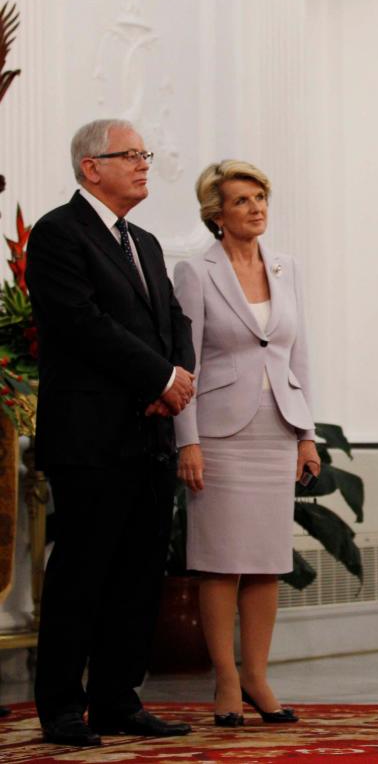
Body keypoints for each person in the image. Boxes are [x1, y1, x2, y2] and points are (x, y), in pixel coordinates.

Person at [26, 119, 196, 746]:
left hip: (149, 436)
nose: (144, 164)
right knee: (82, 573)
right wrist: (158, 378)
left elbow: (173, 320)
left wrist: (177, 376)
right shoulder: (57, 234)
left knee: (137, 574)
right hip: (90, 435)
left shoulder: (145, 242)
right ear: (91, 167)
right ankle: (62, 709)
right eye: (131, 155)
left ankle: (119, 700)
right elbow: (79, 323)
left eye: (145, 154)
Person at [173, 160, 319, 726]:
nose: (256, 207)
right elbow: (185, 361)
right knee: (220, 562)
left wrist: (307, 434)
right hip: (218, 432)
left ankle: (257, 676)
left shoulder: (287, 268)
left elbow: (297, 355)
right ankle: (226, 680)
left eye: (260, 197)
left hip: (277, 430)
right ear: (217, 214)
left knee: (265, 561)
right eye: (242, 200)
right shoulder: (196, 273)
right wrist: (188, 442)